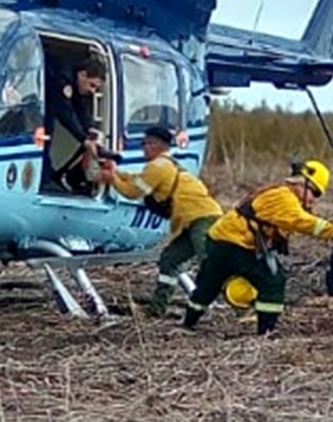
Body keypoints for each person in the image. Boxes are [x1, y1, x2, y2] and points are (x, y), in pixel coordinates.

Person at [180, 159, 333, 336]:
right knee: (273, 280)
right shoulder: (283, 197)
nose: (313, 199)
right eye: (315, 193)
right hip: (236, 244)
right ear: (302, 183)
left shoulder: (279, 194)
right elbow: (299, 221)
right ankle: (266, 331)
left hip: (218, 241)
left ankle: (189, 322)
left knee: (208, 284)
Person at [101, 123, 224, 316]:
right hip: (191, 221)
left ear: (156, 145)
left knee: (210, 263)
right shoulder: (166, 165)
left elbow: (133, 191)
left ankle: (239, 302)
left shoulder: (157, 166)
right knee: (169, 260)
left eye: (145, 143)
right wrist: (116, 172)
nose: (143, 147)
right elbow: (136, 179)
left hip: (202, 219)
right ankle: (158, 308)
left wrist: (112, 180)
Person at [44, 55, 108, 194]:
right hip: (41, 104)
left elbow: (80, 108)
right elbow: (65, 113)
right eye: (92, 85)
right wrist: (84, 140)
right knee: (44, 140)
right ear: (82, 75)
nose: (93, 91)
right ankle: (45, 180)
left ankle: (51, 176)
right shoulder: (63, 80)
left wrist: (90, 128)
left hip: (49, 105)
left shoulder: (78, 83)